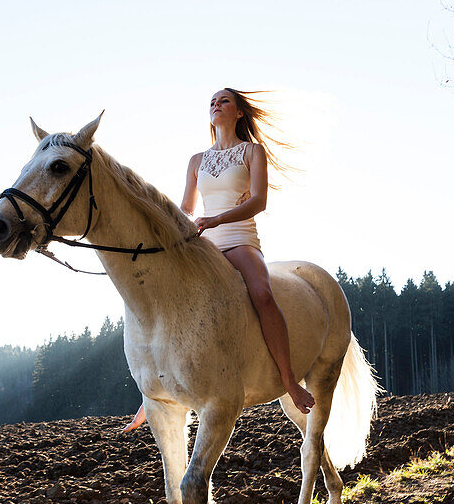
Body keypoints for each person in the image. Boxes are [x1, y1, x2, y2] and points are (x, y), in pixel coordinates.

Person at [122, 88, 316, 432]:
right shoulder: (197, 160)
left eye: (224, 101)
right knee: (169, 300)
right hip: (205, 244)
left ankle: (289, 380)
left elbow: (258, 201)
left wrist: (216, 220)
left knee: (263, 296)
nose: (216, 105)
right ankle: (154, 391)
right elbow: (186, 207)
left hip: (240, 238)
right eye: (212, 102)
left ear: (239, 112)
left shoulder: (252, 152)